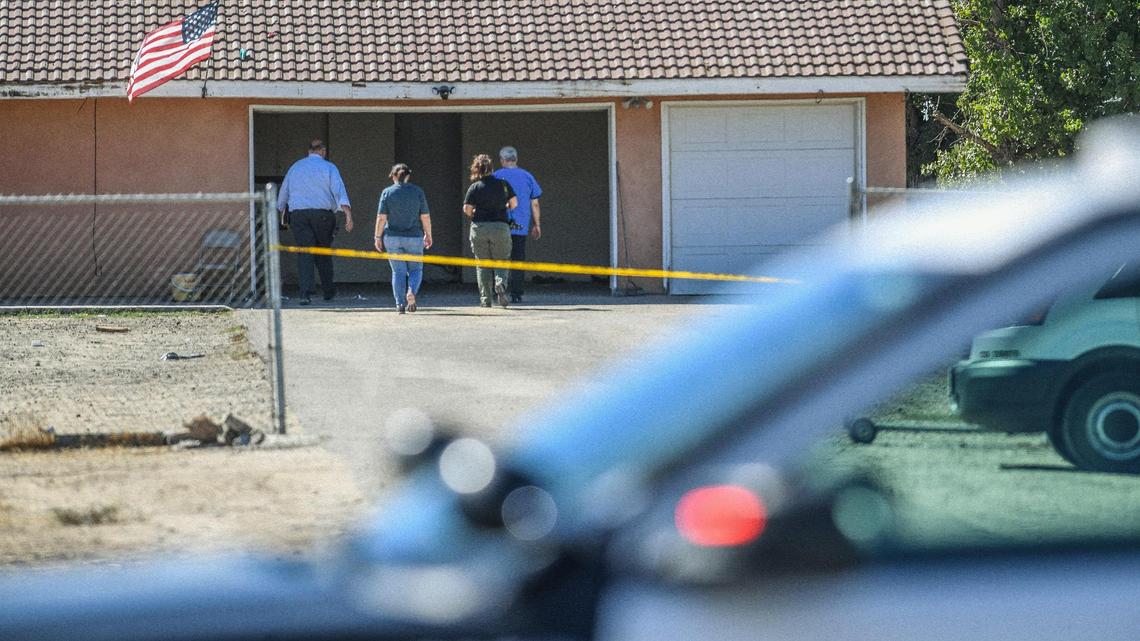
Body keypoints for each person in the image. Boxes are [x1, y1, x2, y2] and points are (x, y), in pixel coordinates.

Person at [277, 139, 353, 305]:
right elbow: (339, 191)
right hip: (322, 216)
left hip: (299, 216)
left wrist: (281, 209)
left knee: (305, 253)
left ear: (309, 151)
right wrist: (348, 215)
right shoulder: (329, 167)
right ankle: (328, 291)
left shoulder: (295, 167)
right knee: (323, 253)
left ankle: (305, 293)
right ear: (323, 151)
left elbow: (283, 194)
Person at [375, 163, 432, 314]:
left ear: (393, 176)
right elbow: (425, 216)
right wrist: (428, 234)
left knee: (398, 272)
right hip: (414, 237)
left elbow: (381, 218)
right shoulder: (418, 192)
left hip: (392, 237)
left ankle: (400, 304)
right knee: (416, 269)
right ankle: (411, 291)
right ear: (408, 176)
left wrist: (377, 237)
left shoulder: (387, 192)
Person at [463, 154, 517, 308]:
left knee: (482, 264)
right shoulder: (503, 184)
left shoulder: (475, 187)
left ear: (476, 170)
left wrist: (474, 213)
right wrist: (504, 207)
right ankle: (500, 285)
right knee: (501, 260)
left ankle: (485, 299)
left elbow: (467, 209)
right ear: (492, 169)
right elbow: (514, 203)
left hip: (479, 227)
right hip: (500, 226)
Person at [493, 146, 543, 303]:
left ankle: (499, 286)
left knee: (499, 257)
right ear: (516, 159)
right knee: (518, 258)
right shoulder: (527, 176)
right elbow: (534, 203)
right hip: (520, 225)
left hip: (500, 224)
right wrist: (537, 224)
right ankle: (516, 293)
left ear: (502, 160)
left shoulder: (495, 176)